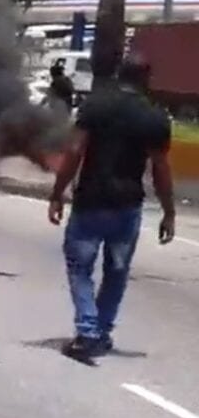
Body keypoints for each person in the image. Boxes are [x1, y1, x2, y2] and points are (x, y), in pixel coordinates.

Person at [47, 54, 175, 358]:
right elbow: (160, 168)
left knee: (80, 269)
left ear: (119, 74)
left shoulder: (95, 106)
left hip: (90, 202)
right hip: (127, 207)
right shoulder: (154, 117)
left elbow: (74, 151)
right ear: (146, 79)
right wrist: (169, 212)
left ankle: (88, 331)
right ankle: (101, 332)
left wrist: (57, 192)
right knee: (116, 271)